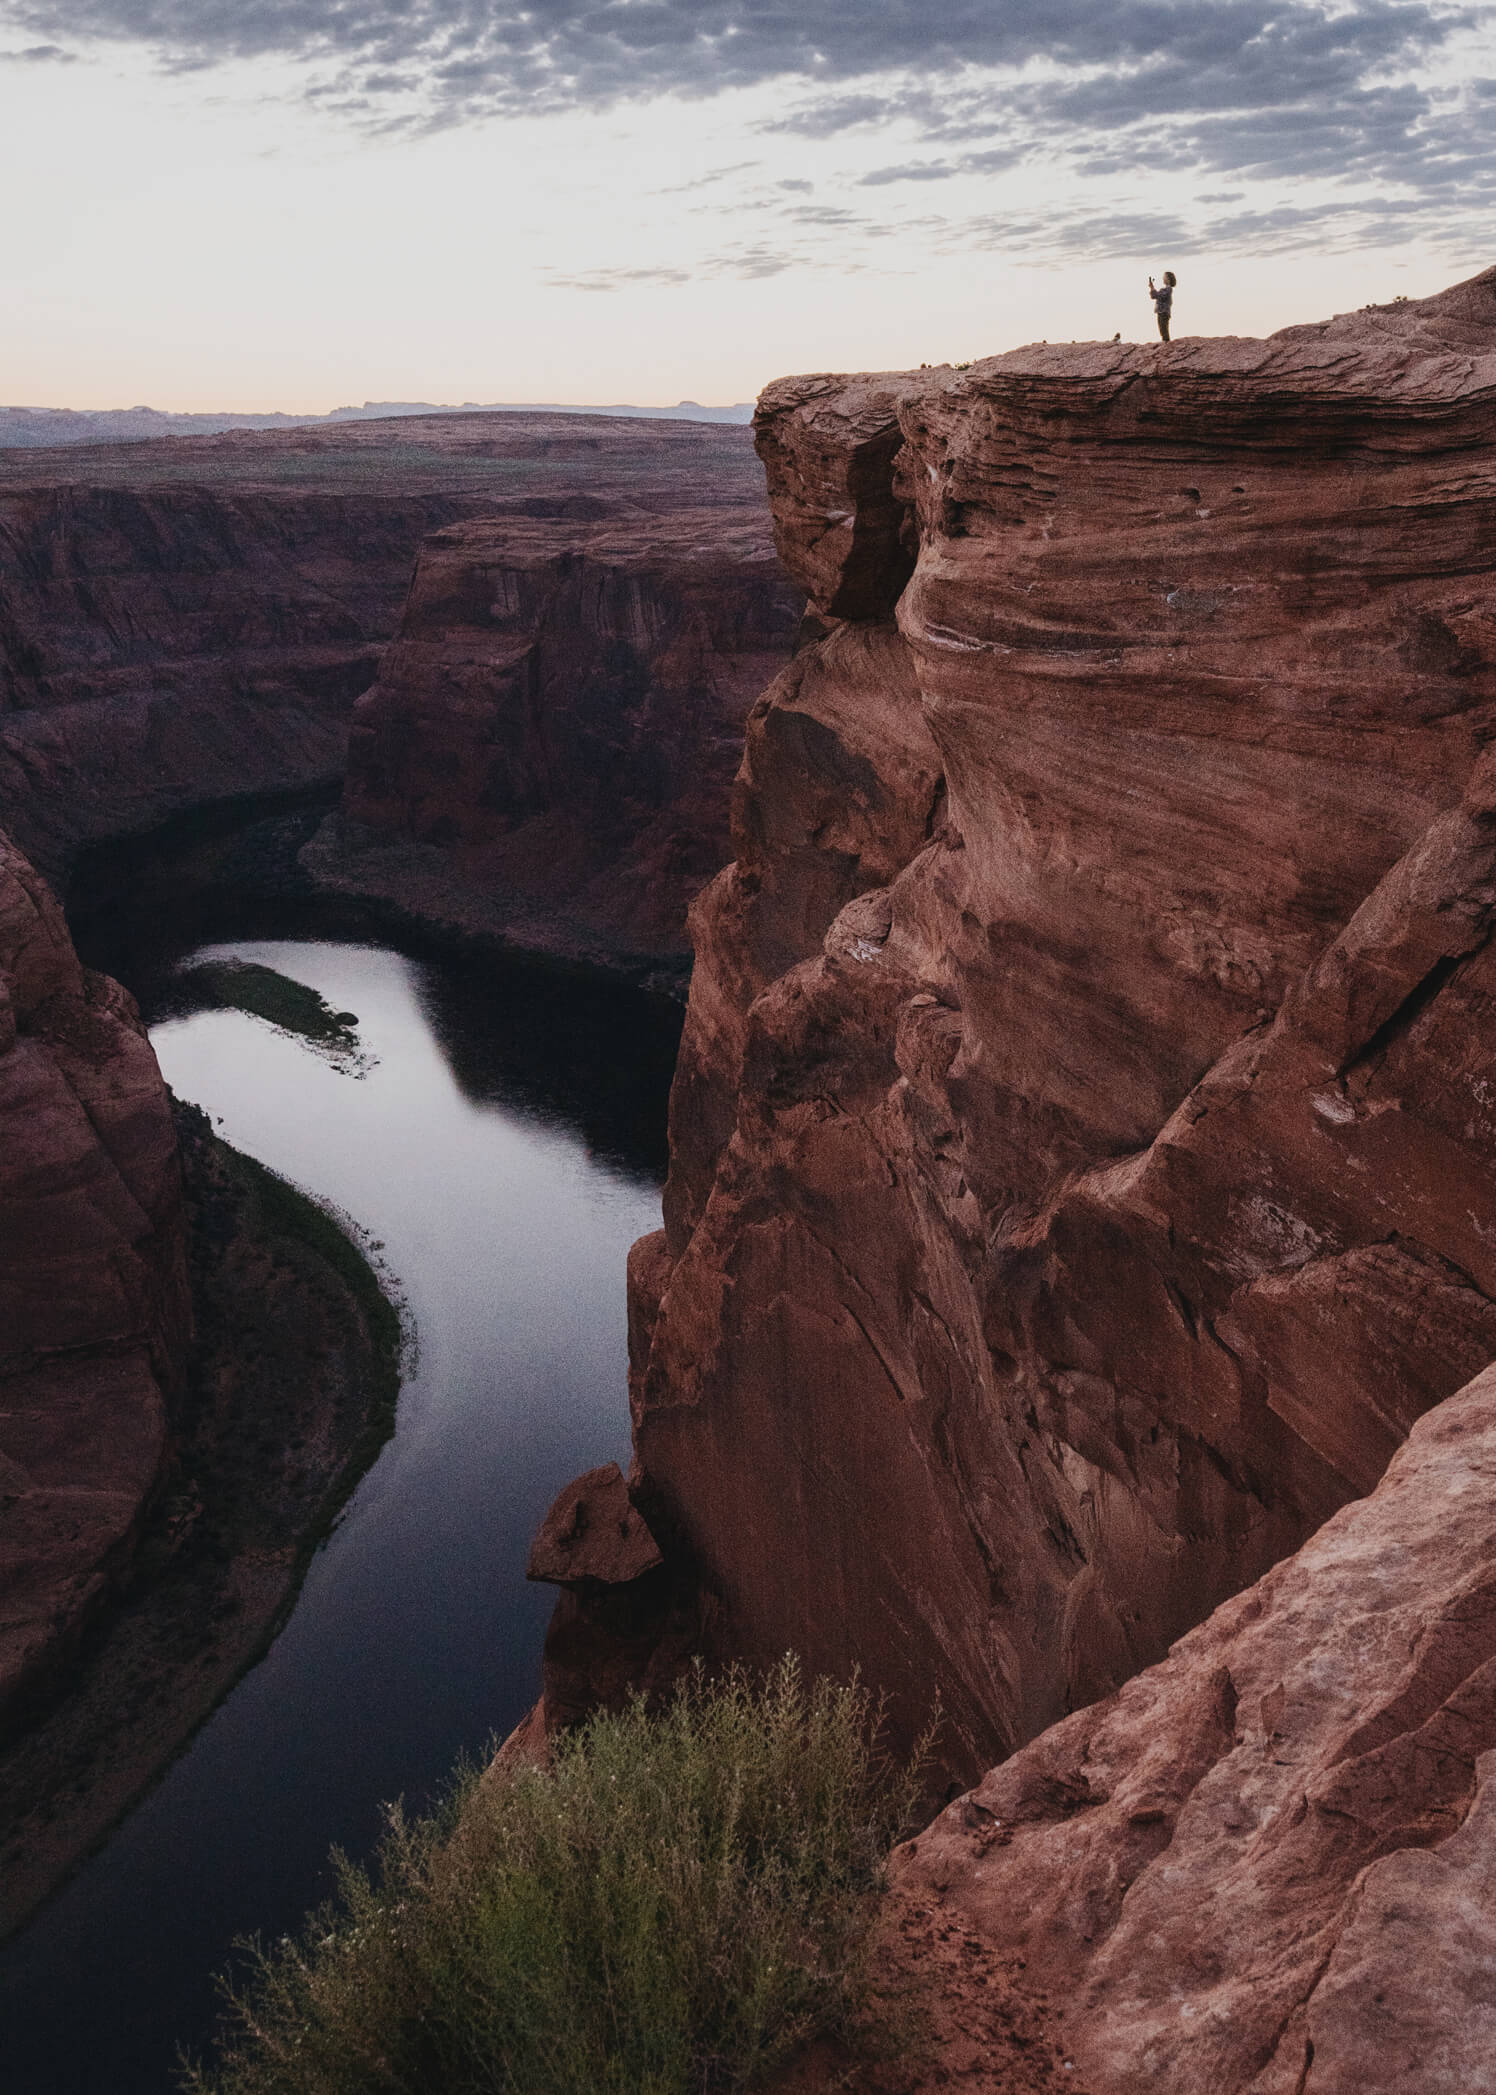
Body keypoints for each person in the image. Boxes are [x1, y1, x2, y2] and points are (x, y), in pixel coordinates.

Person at [1149, 270, 1177, 341]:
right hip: (1161, 312)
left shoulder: (1168, 289)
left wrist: (1152, 288)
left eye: (1164, 277)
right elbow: (1154, 296)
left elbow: (1159, 296)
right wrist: (1152, 287)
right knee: (1162, 329)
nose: (1163, 278)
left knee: (1164, 329)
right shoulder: (1165, 289)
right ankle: (1165, 342)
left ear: (1168, 279)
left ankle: (1166, 343)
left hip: (1164, 312)